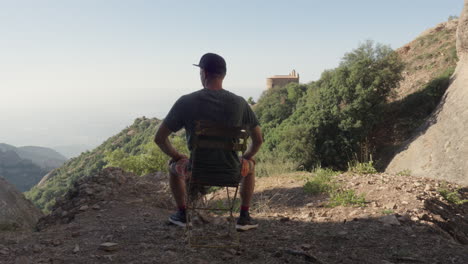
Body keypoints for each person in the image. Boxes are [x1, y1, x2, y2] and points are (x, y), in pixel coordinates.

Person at [154, 53, 263, 231]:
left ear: (204, 73)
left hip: (196, 171)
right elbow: (258, 140)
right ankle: (244, 217)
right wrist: (246, 157)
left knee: (172, 166)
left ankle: (182, 214)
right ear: (223, 74)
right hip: (232, 172)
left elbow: (159, 138)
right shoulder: (240, 103)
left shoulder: (186, 102)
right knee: (250, 165)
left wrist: (176, 156)